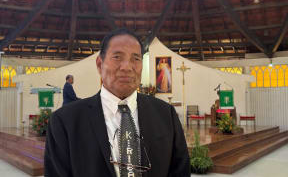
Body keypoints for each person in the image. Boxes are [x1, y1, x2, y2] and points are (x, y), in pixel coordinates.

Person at [44, 28, 190, 177]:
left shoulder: (166, 115)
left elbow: (180, 171)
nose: (127, 67)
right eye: (117, 57)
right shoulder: (65, 121)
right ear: (100, 64)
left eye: (136, 58)